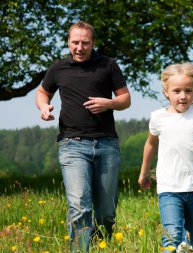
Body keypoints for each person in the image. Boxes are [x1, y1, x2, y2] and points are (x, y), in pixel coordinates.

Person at [35, 21, 131, 252]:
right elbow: (42, 93)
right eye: (75, 42)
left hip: (107, 144)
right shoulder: (58, 68)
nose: (79, 47)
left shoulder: (108, 65)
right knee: (79, 206)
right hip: (72, 145)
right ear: (68, 42)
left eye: (84, 43)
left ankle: (103, 245)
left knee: (106, 210)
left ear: (93, 43)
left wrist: (109, 103)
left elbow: (126, 100)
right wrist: (44, 107)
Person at [138, 63, 193, 252]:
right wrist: (144, 172)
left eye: (188, 91)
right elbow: (150, 145)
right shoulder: (158, 117)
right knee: (172, 234)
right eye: (177, 91)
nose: (183, 96)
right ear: (166, 92)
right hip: (168, 187)